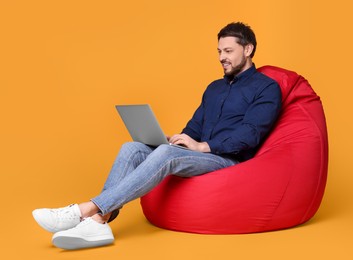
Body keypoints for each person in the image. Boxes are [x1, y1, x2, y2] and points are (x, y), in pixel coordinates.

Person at [32, 22, 282, 250]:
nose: (221, 58)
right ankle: (99, 221)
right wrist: (179, 139)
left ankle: (86, 210)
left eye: (228, 51)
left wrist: (203, 146)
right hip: (199, 153)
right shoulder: (214, 88)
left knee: (166, 155)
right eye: (218, 52)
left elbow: (250, 135)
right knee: (133, 147)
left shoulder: (266, 87)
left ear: (248, 49)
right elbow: (195, 126)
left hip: (229, 160)